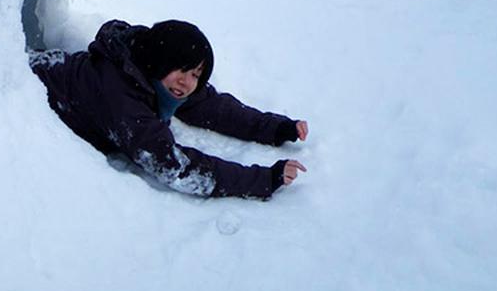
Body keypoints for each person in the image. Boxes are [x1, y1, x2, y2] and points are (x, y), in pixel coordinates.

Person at [30, 19, 308, 199]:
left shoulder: (153, 73)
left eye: (197, 74)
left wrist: (275, 128)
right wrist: (262, 179)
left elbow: (212, 106)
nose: (187, 82)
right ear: (160, 60)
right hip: (27, 88)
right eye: (183, 70)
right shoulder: (123, 100)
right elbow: (174, 167)